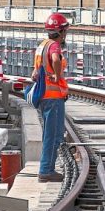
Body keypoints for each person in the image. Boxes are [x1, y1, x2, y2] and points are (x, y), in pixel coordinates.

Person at [33, 13, 70, 182]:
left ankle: (47, 168)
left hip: (45, 97)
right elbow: (55, 59)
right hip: (53, 97)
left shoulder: (42, 45)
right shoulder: (54, 46)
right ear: (61, 31)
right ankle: (46, 170)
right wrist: (56, 74)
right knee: (53, 134)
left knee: (50, 133)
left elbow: (35, 71)